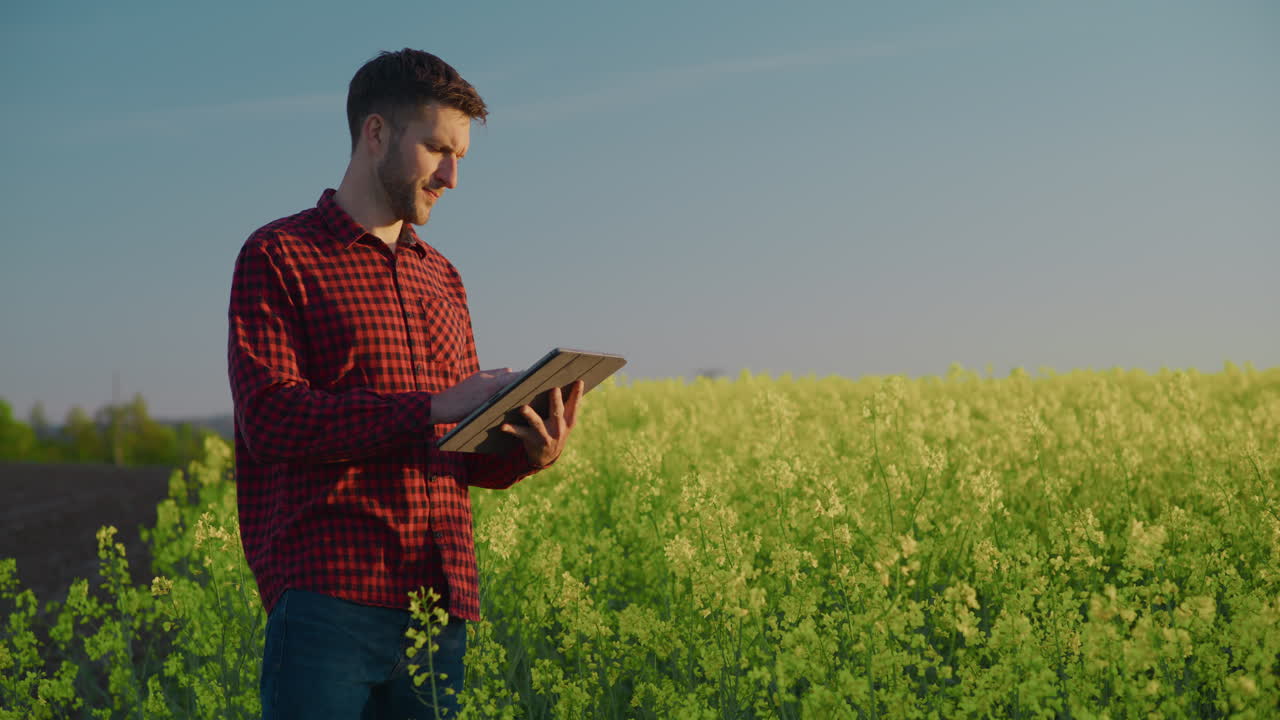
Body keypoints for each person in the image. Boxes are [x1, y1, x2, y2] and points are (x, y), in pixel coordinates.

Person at [226, 48, 583, 719]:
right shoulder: (279, 255)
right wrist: (430, 406)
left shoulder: (442, 276)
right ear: (377, 133)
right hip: (329, 600)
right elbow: (271, 419)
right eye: (436, 149)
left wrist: (526, 453)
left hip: (438, 610)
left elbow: (453, 452)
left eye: (461, 158)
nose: (451, 175)